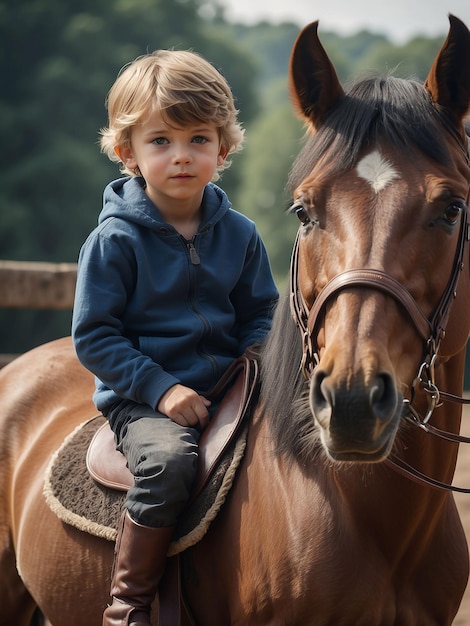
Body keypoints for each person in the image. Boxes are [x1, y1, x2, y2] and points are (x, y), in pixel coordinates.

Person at [71, 48, 278, 626]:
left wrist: (254, 360)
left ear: (224, 147)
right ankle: (129, 603)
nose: (181, 156)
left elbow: (260, 310)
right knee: (167, 462)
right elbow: (95, 337)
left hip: (232, 383)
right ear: (126, 152)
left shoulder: (241, 234)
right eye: (160, 141)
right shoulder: (114, 241)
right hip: (144, 399)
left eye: (198, 139)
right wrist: (162, 391)